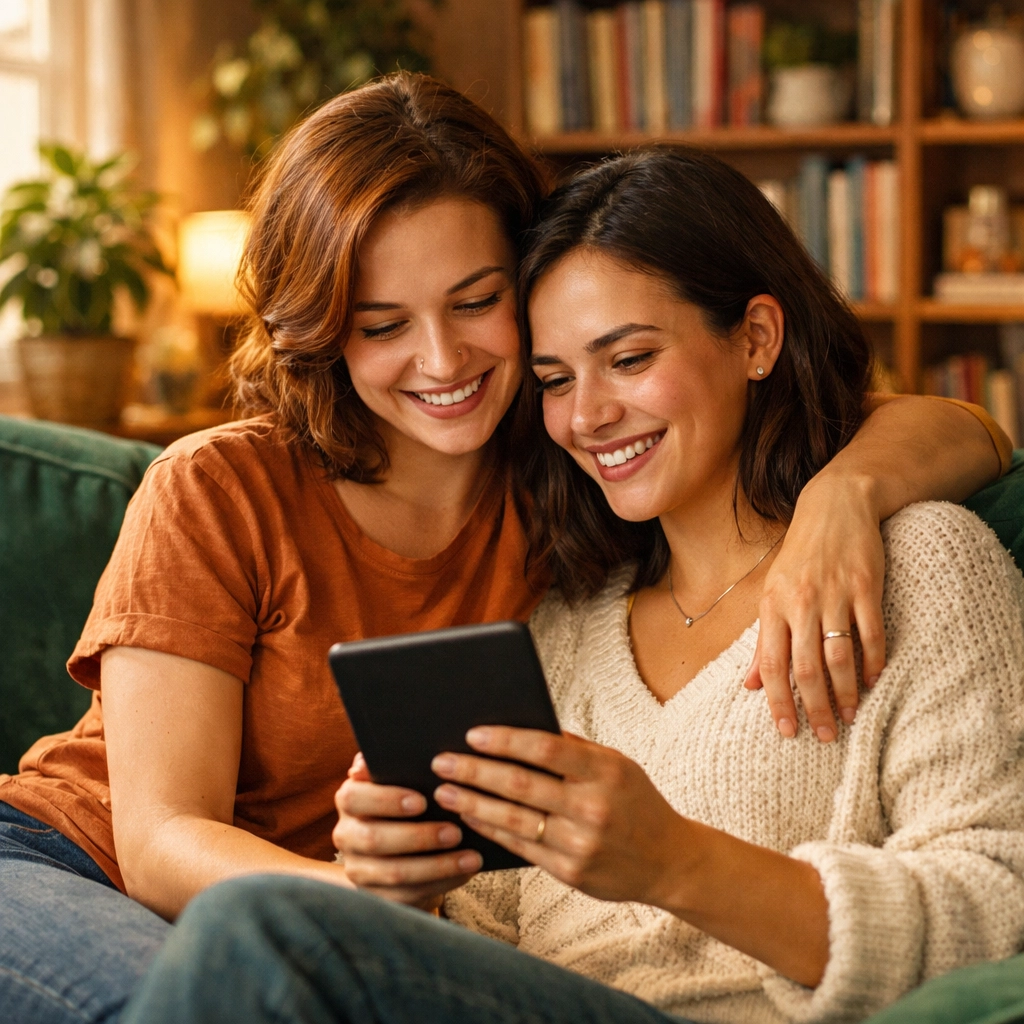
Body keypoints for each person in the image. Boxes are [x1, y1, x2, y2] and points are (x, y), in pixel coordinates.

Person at [0, 75, 1010, 1023]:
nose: (442, 361)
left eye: (477, 302)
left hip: (325, 932)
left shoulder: (566, 478)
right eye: (381, 322)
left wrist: (844, 497)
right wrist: (367, 901)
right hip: (78, 863)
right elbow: (158, 842)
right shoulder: (235, 489)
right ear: (323, 331)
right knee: (227, 977)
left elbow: (937, 424)